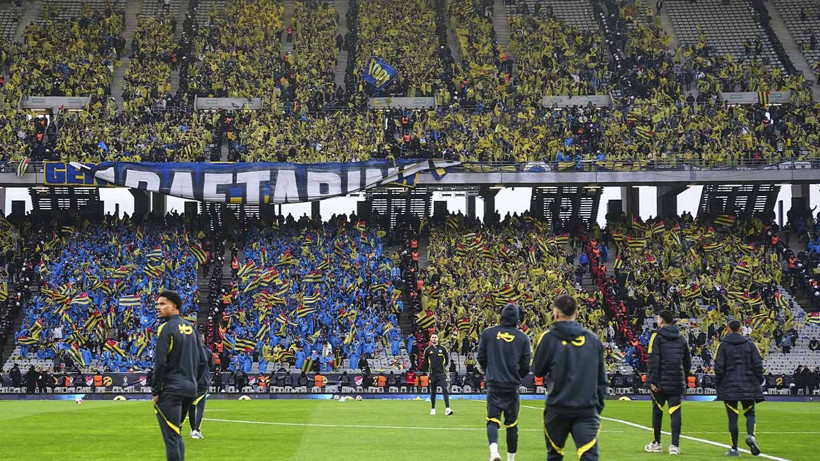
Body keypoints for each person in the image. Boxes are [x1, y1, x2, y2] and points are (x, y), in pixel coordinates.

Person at [532, 295, 607, 461]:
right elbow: (602, 379)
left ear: (556, 314)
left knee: (554, 455)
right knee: (589, 456)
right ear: (577, 313)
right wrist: (597, 407)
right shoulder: (593, 340)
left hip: (557, 407)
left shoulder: (549, 338)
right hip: (586, 408)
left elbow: (538, 370)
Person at [152, 290, 205, 461]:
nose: (158, 307)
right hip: (190, 389)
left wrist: (156, 390)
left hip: (171, 390)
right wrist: (194, 384)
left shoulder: (166, 328)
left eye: (162, 304)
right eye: (158, 304)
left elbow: (160, 362)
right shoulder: (191, 328)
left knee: (171, 438)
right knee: (177, 434)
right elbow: (203, 360)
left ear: (174, 306)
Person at [477, 304, 532, 461]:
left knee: (492, 420)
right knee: (512, 425)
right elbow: (525, 365)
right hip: (512, 385)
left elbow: (481, 357)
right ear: (517, 319)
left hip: (494, 384)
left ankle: (494, 451)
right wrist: (517, 377)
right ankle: (510, 459)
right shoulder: (523, 338)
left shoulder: (488, 333)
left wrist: (490, 371)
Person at [645, 310, 691, 456]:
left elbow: (653, 359)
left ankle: (656, 443)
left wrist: (652, 380)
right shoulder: (681, 338)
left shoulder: (656, 337)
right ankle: (674, 446)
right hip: (676, 381)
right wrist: (683, 377)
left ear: (661, 321)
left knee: (657, 411)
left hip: (660, 381)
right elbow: (687, 362)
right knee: (675, 412)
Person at [715, 320, 763, 457]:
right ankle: (751, 435)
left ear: (728, 329)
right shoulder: (750, 345)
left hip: (729, 387)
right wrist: (758, 381)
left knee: (732, 418)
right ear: (741, 329)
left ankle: (734, 449)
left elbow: (718, 367)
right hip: (749, 385)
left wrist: (719, 383)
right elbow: (758, 365)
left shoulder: (723, 346)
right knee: (750, 413)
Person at [189, 331, 214, 440]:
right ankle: (196, 430)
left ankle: (192, 429)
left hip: (190, 381)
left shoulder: (189, 351)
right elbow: (211, 365)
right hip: (202, 382)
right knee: (200, 406)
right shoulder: (208, 352)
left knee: (191, 406)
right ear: (202, 339)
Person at [422, 333, 453, 416]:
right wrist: (429, 370)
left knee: (445, 389)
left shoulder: (443, 349)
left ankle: (447, 408)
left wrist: (443, 368)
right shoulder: (428, 350)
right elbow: (425, 362)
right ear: (430, 339)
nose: (434, 338)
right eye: (433, 337)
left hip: (441, 373)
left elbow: (446, 360)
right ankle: (433, 409)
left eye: (435, 337)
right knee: (433, 391)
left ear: (438, 339)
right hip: (432, 374)